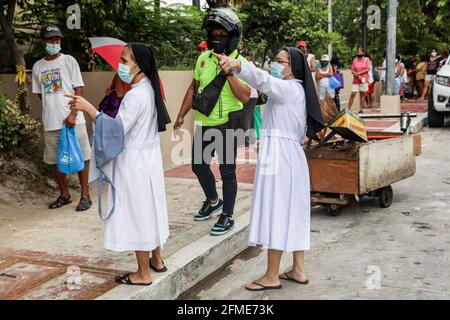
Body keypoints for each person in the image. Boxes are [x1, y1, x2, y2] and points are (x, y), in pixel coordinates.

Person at [215, 47, 324, 291]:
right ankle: (298, 269)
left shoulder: (287, 88)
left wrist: (237, 65)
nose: (275, 64)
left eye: (279, 60)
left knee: (276, 209)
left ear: (291, 67)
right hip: (290, 153)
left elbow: (261, 79)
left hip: (281, 156)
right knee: (294, 211)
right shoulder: (297, 90)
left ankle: (272, 275)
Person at [65, 42, 171, 286]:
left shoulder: (136, 96)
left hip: (135, 164)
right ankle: (157, 259)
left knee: (137, 214)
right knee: (151, 209)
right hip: (149, 160)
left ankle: (142, 273)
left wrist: (89, 108)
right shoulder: (149, 89)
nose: (120, 65)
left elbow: (117, 130)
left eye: (124, 61)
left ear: (139, 65)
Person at [174, 8, 251, 236]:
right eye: (213, 32)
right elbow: (193, 88)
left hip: (228, 123)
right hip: (205, 122)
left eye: (222, 33)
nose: (217, 36)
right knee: (199, 166)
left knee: (228, 171)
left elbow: (245, 96)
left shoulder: (241, 63)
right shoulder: (202, 59)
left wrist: (229, 72)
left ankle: (227, 215)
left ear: (232, 36)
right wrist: (181, 114)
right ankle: (213, 199)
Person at [31, 24, 92, 212]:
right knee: (55, 160)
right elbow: (40, 93)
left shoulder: (69, 61)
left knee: (82, 156)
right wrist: (53, 107)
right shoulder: (38, 66)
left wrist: (73, 113)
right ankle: (64, 194)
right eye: (50, 39)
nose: (54, 42)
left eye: (57, 39)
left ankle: (85, 195)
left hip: (74, 120)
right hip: (51, 122)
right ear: (43, 41)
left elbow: (78, 88)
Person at [240, 49, 258, 146]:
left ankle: (246, 140)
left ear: (249, 57)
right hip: (253, 95)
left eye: (243, 56)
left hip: (249, 95)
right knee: (250, 118)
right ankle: (251, 139)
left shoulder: (247, 65)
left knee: (246, 117)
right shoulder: (252, 65)